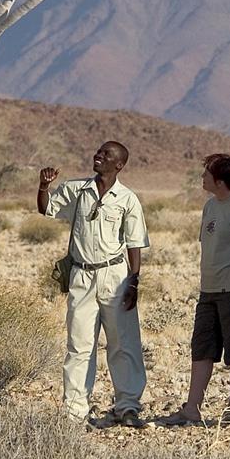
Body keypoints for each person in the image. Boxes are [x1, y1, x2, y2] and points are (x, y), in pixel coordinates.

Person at [37, 141, 150, 428]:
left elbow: (135, 244)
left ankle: (127, 407)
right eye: (97, 152)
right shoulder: (77, 190)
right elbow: (47, 208)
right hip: (81, 276)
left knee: (123, 343)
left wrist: (134, 283)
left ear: (119, 165)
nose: (98, 156)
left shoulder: (127, 199)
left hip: (115, 277)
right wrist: (43, 187)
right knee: (79, 344)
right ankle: (75, 412)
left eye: (106, 155)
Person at [165, 154, 230, 426]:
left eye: (206, 174)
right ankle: (192, 408)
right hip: (210, 289)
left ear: (220, 181)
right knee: (202, 347)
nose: (202, 178)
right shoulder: (210, 207)